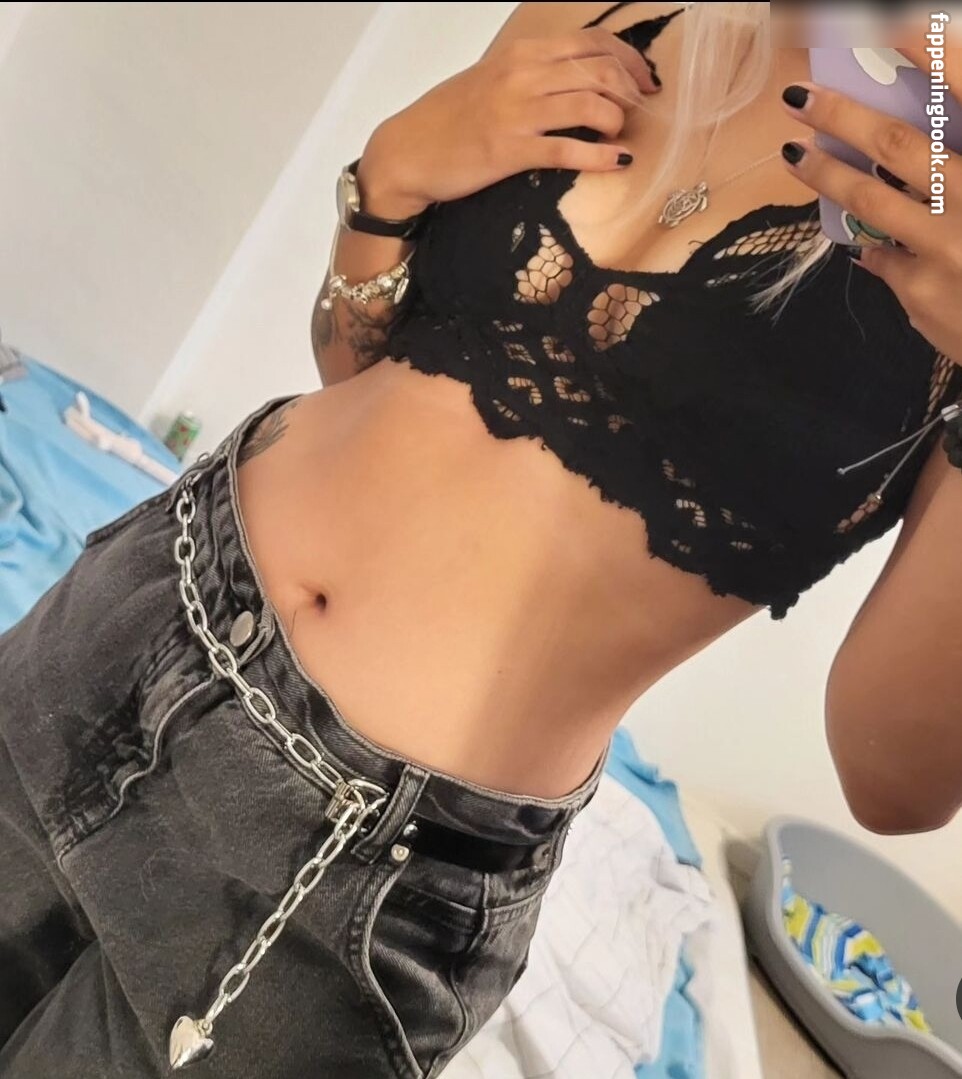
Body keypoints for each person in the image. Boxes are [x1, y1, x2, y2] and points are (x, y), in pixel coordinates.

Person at [1, 3, 960, 1077]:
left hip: (348, 864)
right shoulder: (614, 15)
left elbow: (890, 780)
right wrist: (384, 183)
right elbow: (367, 371)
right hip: (133, 612)